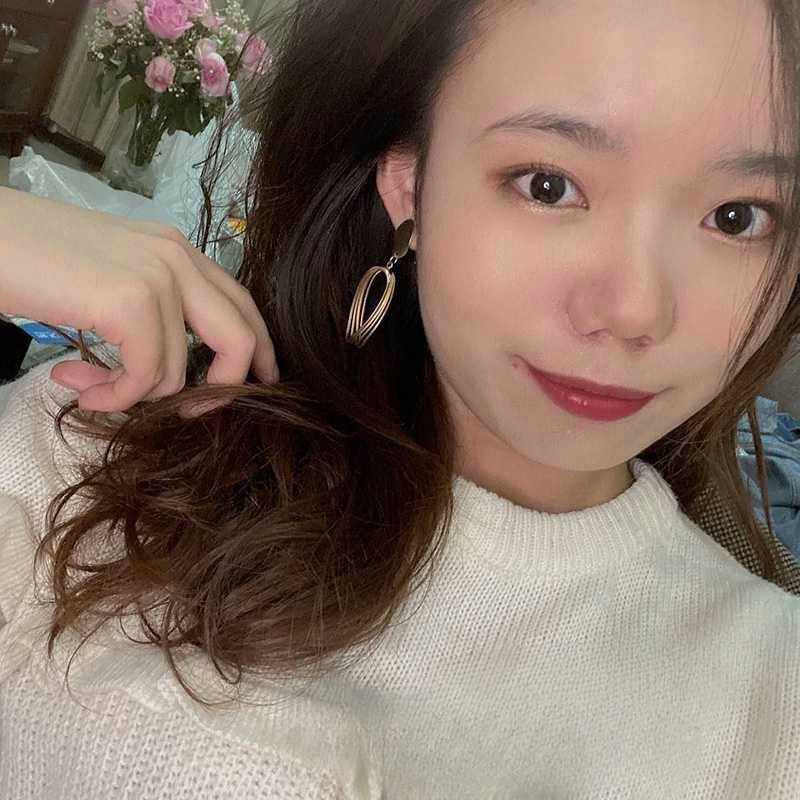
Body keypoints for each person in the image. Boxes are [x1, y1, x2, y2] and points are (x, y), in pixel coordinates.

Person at [1, 0, 800, 796]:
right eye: (548, 185)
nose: (631, 311)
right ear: (409, 181)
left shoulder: (772, 697)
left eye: (738, 218)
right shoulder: (102, 452)